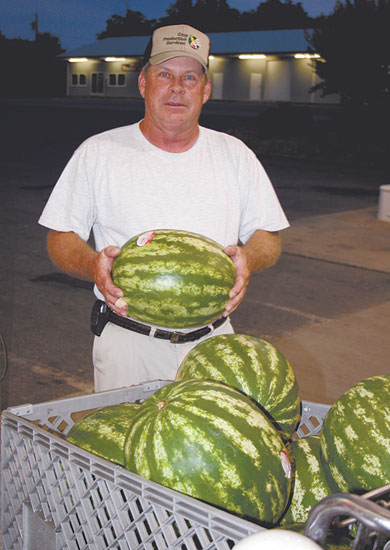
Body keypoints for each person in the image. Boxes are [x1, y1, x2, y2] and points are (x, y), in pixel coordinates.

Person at [38, 24, 289, 392]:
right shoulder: (99, 152)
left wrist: (250, 257)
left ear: (205, 90)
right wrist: (93, 264)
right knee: (126, 446)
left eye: (190, 77)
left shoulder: (235, 155)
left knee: (213, 447)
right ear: (143, 83)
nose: (177, 88)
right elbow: (60, 237)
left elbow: (268, 235)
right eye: (164, 75)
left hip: (214, 343)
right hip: (129, 342)